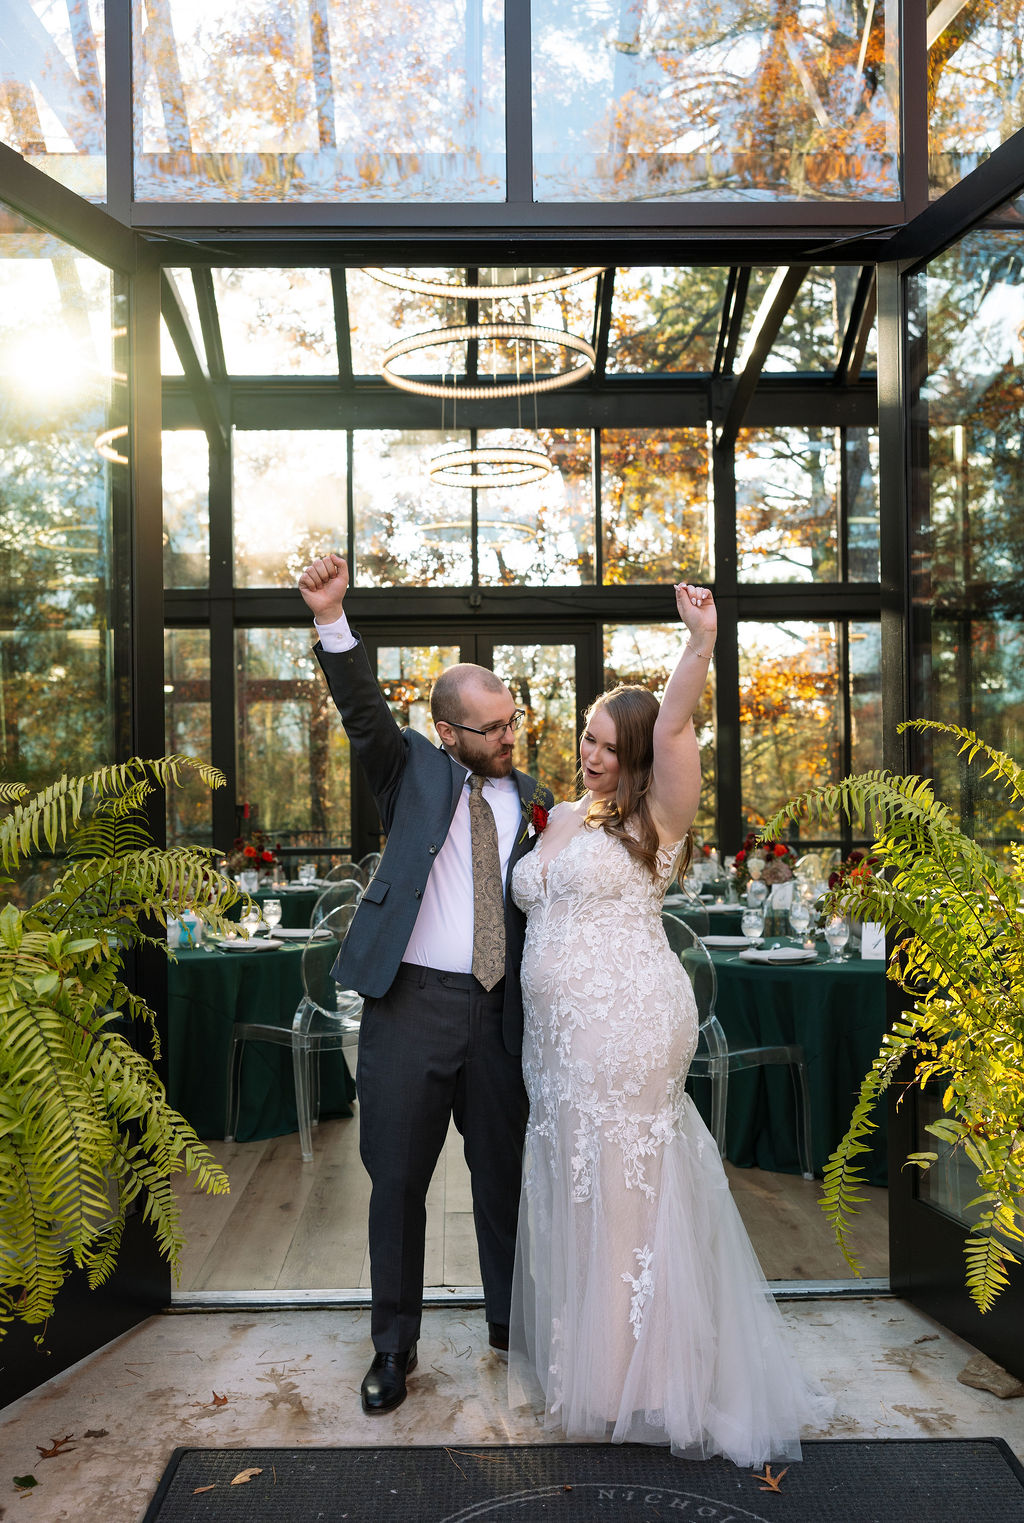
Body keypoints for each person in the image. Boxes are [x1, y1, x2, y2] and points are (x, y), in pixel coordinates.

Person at [508, 581, 830, 1466]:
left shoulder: (659, 815)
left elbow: (682, 724)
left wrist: (698, 643)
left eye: (611, 746)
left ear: (640, 754)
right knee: (583, 1183)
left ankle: (638, 1380)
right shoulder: (563, 816)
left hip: (630, 1026)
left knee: (622, 1190)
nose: (592, 756)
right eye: (587, 737)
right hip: (560, 1046)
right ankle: (601, 1364)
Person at [298, 553, 553, 1417]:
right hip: (409, 1006)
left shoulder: (540, 799)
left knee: (503, 1179)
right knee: (397, 1181)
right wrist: (334, 619)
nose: (508, 738)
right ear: (449, 732)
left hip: (498, 1014)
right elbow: (364, 714)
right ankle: (392, 1348)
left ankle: (513, 1332)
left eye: (512, 721)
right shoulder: (412, 772)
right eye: (490, 728)